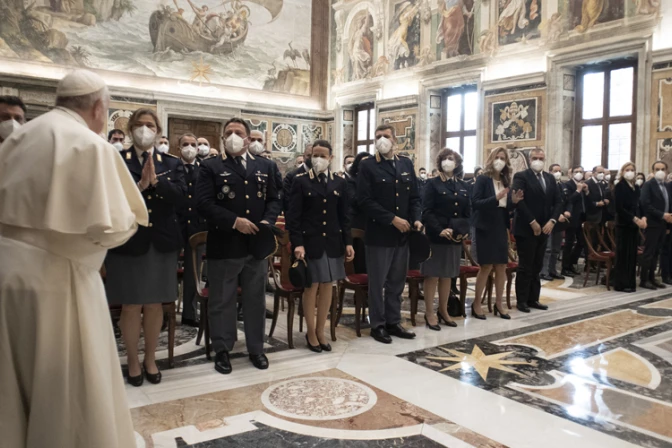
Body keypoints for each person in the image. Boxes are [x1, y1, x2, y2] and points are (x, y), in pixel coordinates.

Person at [0, 70, 146, 447]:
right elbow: (115, 227)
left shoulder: (18, 138)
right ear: (99, 108)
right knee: (64, 384)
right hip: (59, 278)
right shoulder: (90, 144)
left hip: (6, 272)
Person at [106, 108, 187, 387]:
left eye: (150, 125)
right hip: (129, 241)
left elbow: (180, 197)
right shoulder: (116, 159)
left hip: (161, 241)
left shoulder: (172, 163)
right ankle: (132, 358)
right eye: (139, 125)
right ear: (130, 130)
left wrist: (156, 183)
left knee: (154, 305)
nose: (145, 129)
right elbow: (109, 198)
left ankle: (151, 358)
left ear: (158, 131)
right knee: (131, 305)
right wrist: (138, 187)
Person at [196, 118, 281, 374]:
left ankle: (257, 348)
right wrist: (234, 222)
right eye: (229, 132)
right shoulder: (210, 166)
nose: (234, 136)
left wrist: (267, 220)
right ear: (223, 138)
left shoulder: (265, 165)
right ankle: (222, 348)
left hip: (255, 244)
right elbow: (204, 204)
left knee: (256, 299)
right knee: (222, 300)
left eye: (239, 132)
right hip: (224, 243)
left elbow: (275, 199)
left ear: (247, 138)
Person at [357, 124, 422, 343]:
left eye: (386, 136)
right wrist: (391, 219)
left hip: (402, 235)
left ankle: (394, 321)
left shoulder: (405, 163)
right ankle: (377, 324)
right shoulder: (368, 166)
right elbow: (364, 200)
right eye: (378, 137)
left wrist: (416, 218)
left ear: (395, 140)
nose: (382, 140)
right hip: (379, 234)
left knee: (396, 282)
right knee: (378, 283)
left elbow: (414, 197)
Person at [288, 140, 354, 352]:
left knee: (328, 286)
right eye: (315, 155)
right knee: (311, 286)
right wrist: (297, 243)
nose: (318, 159)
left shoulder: (339, 182)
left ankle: (321, 330)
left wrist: (348, 242)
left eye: (323, 155)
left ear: (331, 158)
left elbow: (344, 216)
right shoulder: (300, 181)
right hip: (310, 243)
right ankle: (310, 331)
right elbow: (293, 217)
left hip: (332, 242)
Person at [421, 148, 470, 329]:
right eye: (445, 159)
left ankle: (443, 310)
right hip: (436, 236)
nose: (448, 161)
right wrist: (439, 229)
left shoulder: (463, 185)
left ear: (457, 164)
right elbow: (427, 211)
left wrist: (464, 230)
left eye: (451, 159)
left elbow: (467, 212)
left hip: (454, 238)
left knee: (448, 275)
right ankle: (429, 312)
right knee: (432, 275)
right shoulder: (432, 184)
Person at [472, 147, 523, 319]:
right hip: (485, 226)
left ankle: (499, 304)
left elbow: (507, 208)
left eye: (503, 158)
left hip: (500, 226)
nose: (499, 160)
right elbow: (476, 202)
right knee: (486, 266)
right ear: (491, 159)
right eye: (497, 157)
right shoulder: (482, 179)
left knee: (501, 266)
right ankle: (477, 303)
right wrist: (495, 197)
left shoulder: (505, 181)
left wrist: (513, 202)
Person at [512, 148, 562, 313]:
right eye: (535, 158)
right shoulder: (521, 176)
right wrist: (532, 222)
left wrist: (552, 221)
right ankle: (522, 300)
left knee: (537, 265)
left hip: (545, 227)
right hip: (527, 228)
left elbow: (558, 201)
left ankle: (534, 298)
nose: (538, 160)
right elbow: (519, 201)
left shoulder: (549, 178)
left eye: (541, 158)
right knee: (526, 265)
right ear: (529, 159)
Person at [176, 132, 207, 327]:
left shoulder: (204, 169)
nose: (189, 148)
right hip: (175, 226)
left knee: (193, 273)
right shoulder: (172, 167)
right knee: (169, 271)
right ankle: (165, 312)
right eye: (185, 144)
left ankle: (189, 312)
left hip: (197, 227)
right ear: (179, 148)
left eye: (192, 144)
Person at [614, 162, 647, 293]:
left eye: (632, 170)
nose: (630, 172)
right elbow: (619, 208)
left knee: (632, 255)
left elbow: (639, 204)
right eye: (627, 169)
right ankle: (621, 283)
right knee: (623, 255)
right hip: (623, 224)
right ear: (622, 172)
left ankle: (630, 282)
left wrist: (643, 217)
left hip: (634, 226)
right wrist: (634, 218)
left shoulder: (636, 187)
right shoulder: (620, 186)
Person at [639, 161, 672, 290]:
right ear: (653, 170)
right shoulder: (648, 185)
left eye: (663, 169)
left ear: (666, 171)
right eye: (657, 168)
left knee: (657, 252)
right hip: (653, 223)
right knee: (649, 252)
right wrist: (662, 215)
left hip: (663, 224)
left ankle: (652, 278)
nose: (660, 171)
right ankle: (644, 279)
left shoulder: (665, 186)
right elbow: (645, 204)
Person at [540, 164, 571, 280]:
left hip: (561, 222)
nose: (558, 173)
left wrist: (568, 211)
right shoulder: (548, 185)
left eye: (559, 171)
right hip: (550, 220)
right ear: (550, 172)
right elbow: (548, 203)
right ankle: (544, 271)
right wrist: (557, 215)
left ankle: (552, 270)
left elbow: (568, 200)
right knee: (547, 248)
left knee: (556, 248)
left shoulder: (563, 185)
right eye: (555, 171)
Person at [561, 165, 589, 277]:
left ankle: (571, 262)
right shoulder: (568, 185)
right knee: (569, 242)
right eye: (577, 171)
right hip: (572, 217)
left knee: (581, 241)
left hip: (581, 217)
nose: (579, 173)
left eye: (581, 172)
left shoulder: (583, 184)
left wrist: (586, 192)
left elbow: (586, 201)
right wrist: (578, 191)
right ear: (572, 174)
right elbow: (569, 200)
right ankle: (565, 267)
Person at [249, 129, 283, 205]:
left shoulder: (270, 165)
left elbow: (278, 189)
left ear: (264, 144)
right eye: (252, 140)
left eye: (259, 140)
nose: (256, 143)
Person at [283, 143, 313, 211]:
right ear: (304, 156)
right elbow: (287, 202)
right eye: (309, 155)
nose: (311, 158)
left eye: (314, 156)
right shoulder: (291, 176)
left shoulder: (321, 175)